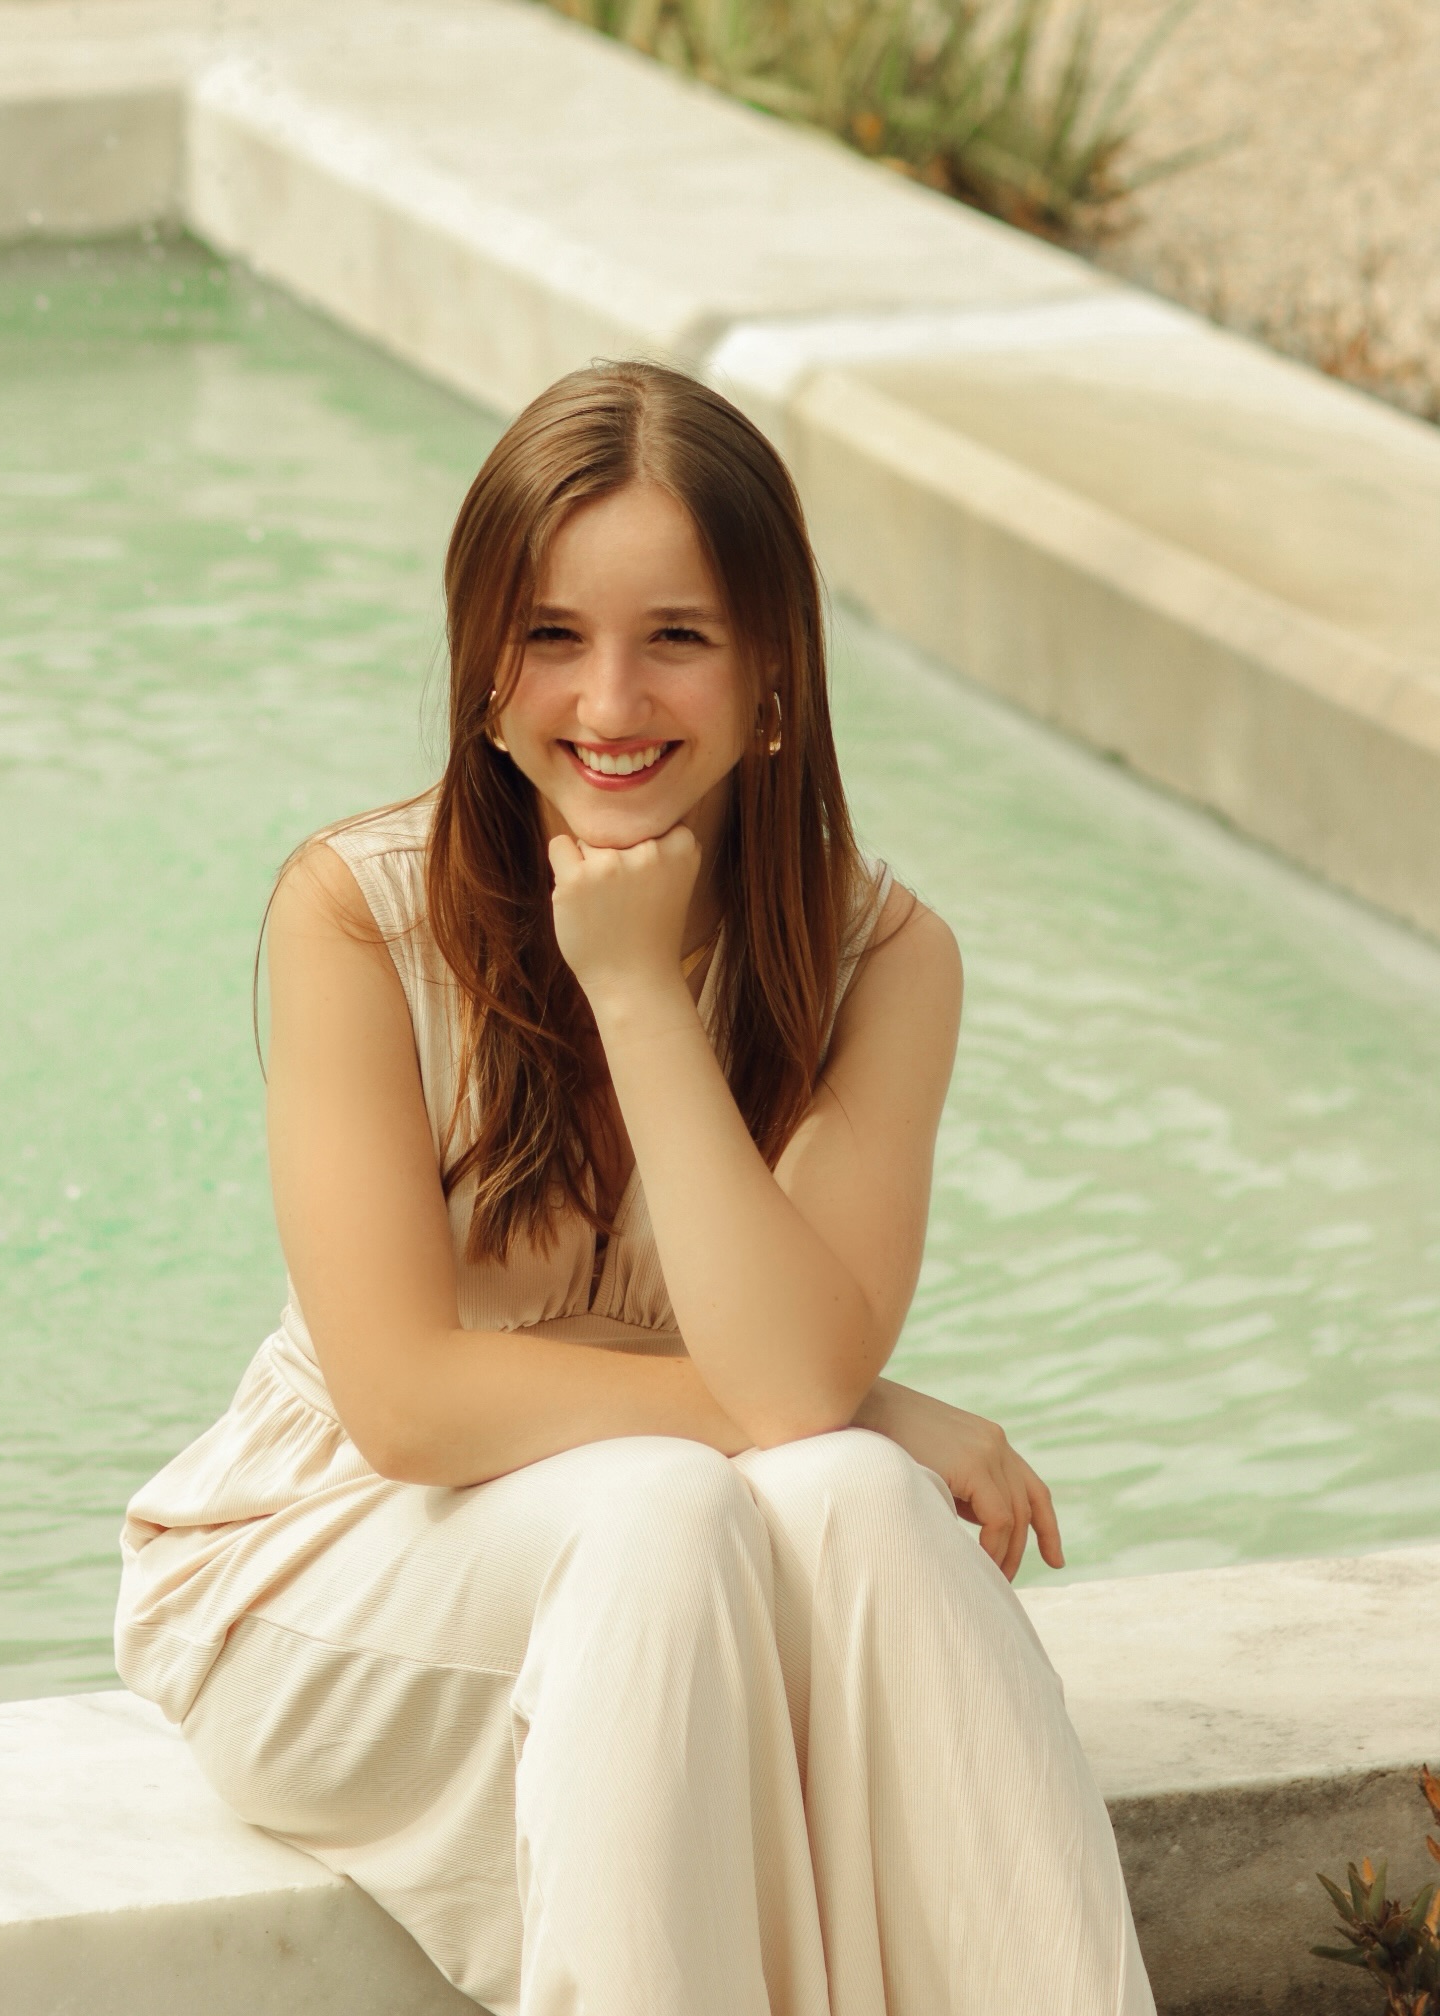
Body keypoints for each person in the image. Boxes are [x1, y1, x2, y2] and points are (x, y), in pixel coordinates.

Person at [115, 360, 1154, 2016]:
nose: (609, 701)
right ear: (481, 671)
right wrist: (867, 1403)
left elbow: (795, 1395)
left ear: (773, 680)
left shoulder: (881, 959)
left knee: (861, 1510)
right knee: (715, 1496)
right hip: (332, 1568)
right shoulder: (356, 916)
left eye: (676, 635)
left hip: (656, 1584)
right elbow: (410, 1405)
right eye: (550, 636)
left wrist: (646, 995)